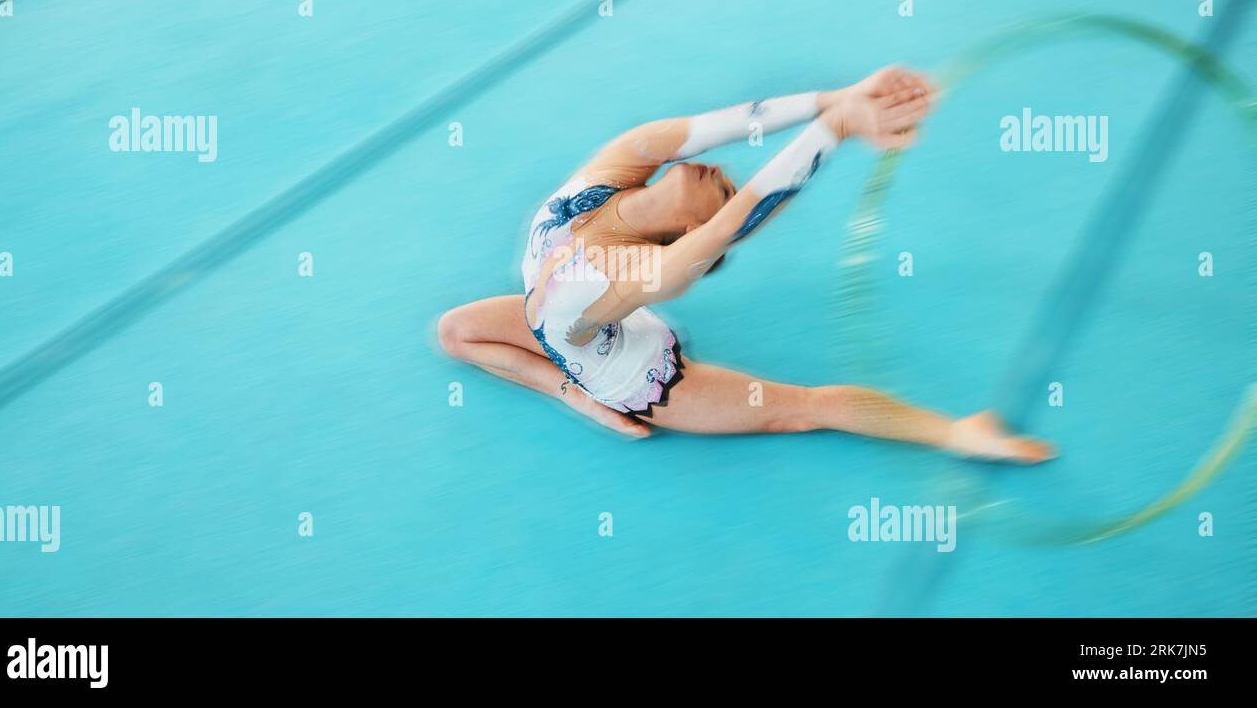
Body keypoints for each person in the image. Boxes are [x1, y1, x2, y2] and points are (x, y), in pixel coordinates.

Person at [437, 67, 1054, 463]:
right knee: (454, 332)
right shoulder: (619, 172)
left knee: (808, 409)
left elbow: (747, 213)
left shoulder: (628, 274)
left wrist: (838, 128)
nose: (725, 175)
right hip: (562, 337)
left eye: (726, 193)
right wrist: (837, 99)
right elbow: (719, 128)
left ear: (694, 230)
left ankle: (958, 432)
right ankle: (573, 391)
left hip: (632, 373)